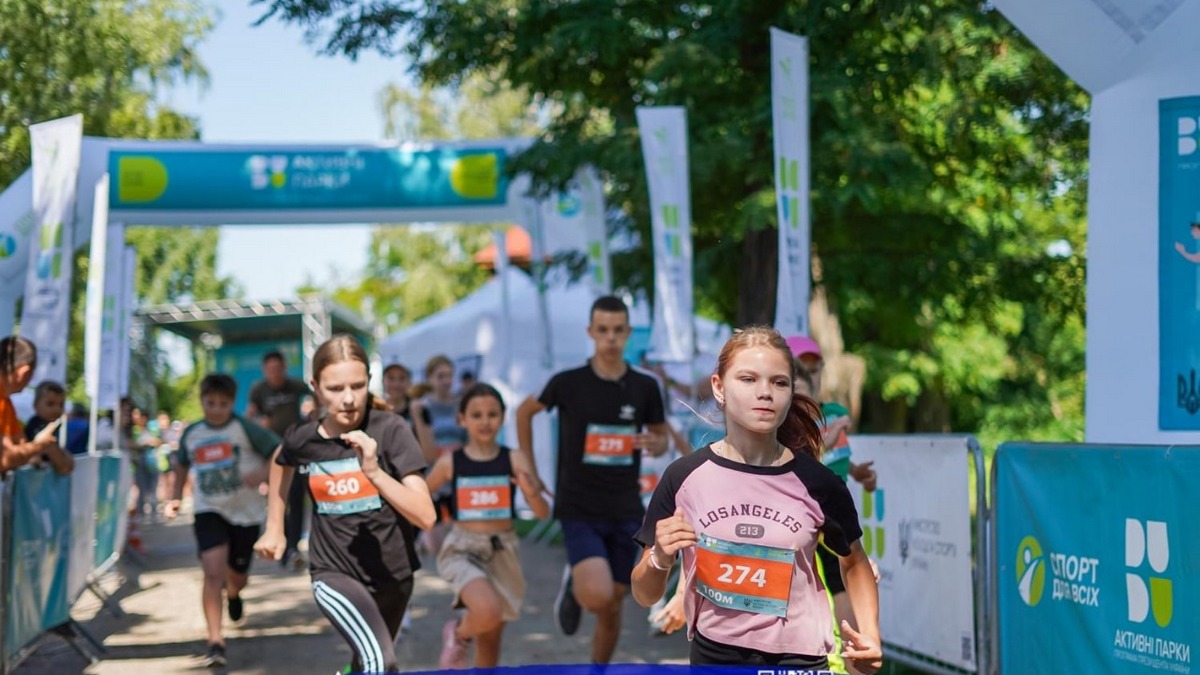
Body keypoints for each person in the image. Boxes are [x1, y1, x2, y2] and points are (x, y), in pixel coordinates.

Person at [630, 326, 882, 671]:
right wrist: (660, 558)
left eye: (779, 383)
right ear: (719, 387)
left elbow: (854, 562)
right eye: (748, 379)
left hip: (799, 661)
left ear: (791, 392)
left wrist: (871, 635)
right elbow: (644, 594)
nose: (764, 392)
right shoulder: (684, 478)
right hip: (715, 658)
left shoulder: (818, 483)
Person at [253, 335, 436, 674]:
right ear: (315, 387)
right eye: (336, 388)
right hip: (333, 571)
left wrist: (374, 472)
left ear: (369, 381)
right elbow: (281, 461)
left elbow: (425, 516)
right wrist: (275, 527)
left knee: (366, 664)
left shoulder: (391, 429)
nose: (349, 398)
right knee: (380, 662)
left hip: (394, 576)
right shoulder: (303, 437)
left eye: (358, 385)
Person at [516, 295, 671, 664]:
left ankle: (598, 669)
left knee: (615, 602)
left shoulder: (645, 386)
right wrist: (530, 469)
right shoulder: (568, 382)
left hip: (625, 507)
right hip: (578, 506)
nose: (610, 338)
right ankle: (576, 583)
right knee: (600, 595)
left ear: (628, 333)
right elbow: (524, 412)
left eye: (618, 330)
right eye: (603, 330)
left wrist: (656, 443)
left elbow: (661, 436)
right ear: (590, 332)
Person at [425, 383, 550, 669]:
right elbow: (420, 494)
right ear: (462, 419)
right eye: (476, 415)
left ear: (502, 418)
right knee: (487, 610)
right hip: (463, 548)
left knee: (491, 637)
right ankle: (458, 633)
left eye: (492, 414)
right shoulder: (450, 462)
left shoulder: (514, 459)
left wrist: (531, 491)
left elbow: (542, 512)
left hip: (503, 550)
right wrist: (428, 523)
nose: (485, 421)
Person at [164, 373, 281, 668]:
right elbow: (181, 464)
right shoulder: (193, 433)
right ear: (202, 401)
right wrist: (175, 497)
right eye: (210, 403)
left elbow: (278, 450)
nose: (216, 409)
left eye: (223, 404)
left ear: (232, 403)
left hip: (246, 512)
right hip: (209, 509)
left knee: (237, 577)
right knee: (212, 572)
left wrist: (261, 473)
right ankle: (215, 641)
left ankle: (235, 593)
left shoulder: (244, 428)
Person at [787, 336, 877, 672]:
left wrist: (856, 471)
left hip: (834, 509)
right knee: (812, 586)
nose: (809, 376)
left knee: (845, 579)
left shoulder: (834, 411)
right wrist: (834, 427)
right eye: (801, 369)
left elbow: (834, 458)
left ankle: (852, 660)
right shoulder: (787, 423)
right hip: (802, 513)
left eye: (814, 369)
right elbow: (813, 452)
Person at [247, 351, 312, 568]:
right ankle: (280, 541)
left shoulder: (296, 386)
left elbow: (316, 399)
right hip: (272, 452)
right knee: (277, 498)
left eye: (278, 369)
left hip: (297, 449)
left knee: (296, 498)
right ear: (265, 370)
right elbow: (250, 416)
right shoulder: (259, 390)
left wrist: (312, 414)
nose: (275, 373)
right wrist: (259, 424)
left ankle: (293, 547)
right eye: (271, 370)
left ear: (284, 368)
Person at [411, 355, 466, 552]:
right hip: (435, 474)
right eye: (441, 376)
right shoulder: (422, 406)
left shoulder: (461, 404)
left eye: (449, 375)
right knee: (438, 541)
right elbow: (426, 450)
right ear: (430, 378)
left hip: (460, 474)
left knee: (461, 536)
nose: (446, 381)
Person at [1, 337, 62, 473]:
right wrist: (39, 445)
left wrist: (34, 447)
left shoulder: (6, 403)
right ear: (24, 372)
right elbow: (4, 458)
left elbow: (20, 444)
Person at [23, 380, 75, 474]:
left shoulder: (52, 425)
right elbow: (63, 466)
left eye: (61, 405)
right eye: (50, 404)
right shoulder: (37, 426)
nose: (57, 409)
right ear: (36, 405)